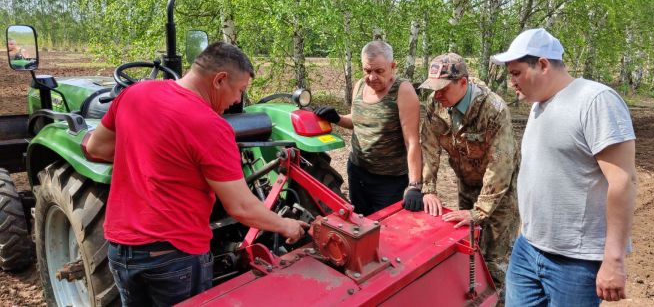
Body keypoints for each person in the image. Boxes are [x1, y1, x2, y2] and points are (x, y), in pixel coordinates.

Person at [86, 42, 309, 306]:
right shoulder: (210, 126)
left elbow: (95, 147)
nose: (238, 100)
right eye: (240, 91)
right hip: (175, 257)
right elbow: (241, 207)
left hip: (121, 252)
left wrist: (149, 154)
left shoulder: (135, 93)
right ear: (219, 80)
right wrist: (287, 225)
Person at [491, 28, 637, 306]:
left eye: (516, 73)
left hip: (575, 261)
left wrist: (614, 260)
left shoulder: (595, 101)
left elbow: (623, 182)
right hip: (528, 247)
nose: (511, 82)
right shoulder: (539, 104)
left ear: (543, 64)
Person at [417, 53, 520, 297]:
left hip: (499, 195)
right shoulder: (436, 103)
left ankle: (500, 301)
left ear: (463, 82)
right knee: (469, 248)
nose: (437, 94)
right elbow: (429, 145)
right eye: (433, 88)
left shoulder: (492, 110)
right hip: (467, 183)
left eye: (443, 88)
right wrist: (429, 188)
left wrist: (481, 211)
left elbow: (501, 165)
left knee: (496, 259)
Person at [314, 40, 424, 216]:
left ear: (392, 66)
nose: (372, 77)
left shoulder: (402, 91)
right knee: (361, 223)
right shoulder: (359, 86)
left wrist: (414, 185)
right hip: (358, 172)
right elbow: (357, 121)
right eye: (367, 70)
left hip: (389, 181)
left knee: (385, 227)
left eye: (379, 71)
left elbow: (411, 141)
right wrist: (337, 118)